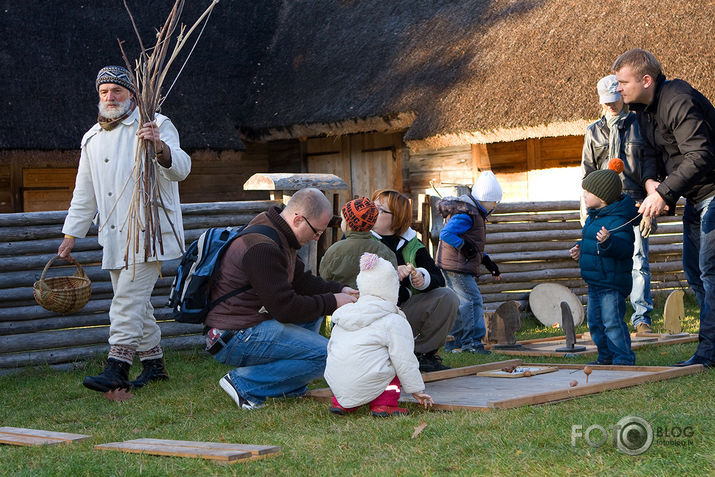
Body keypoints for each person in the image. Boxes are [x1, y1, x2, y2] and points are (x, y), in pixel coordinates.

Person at [59, 65, 191, 393]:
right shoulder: (92, 138)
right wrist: (71, 234)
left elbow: (182, 170)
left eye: (116, 91)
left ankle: (117, 367)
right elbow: (85, 191)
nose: (110, 97)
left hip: (149, 231)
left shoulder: (155, 125)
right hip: (114, 235)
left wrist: (159, 148)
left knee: (126, 301)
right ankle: (154, 366)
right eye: (104, 92)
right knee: (134, 301)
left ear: (131, 93)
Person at [204, 188, 358, 410]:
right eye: (316, 232)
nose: (317, 239)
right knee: (330, 355)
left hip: (246, 325)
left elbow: (301, 283)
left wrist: (341, 289)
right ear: (298, 219)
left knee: (313, 309)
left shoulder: (276, 229)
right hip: (234, 336)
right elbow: (285, 309)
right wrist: (333, 302)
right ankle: (245, 384)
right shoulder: (262, 247)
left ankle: (287, 385)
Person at [612, 49, 715, 367]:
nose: (618, 89)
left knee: (711, 273)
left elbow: (700, 154)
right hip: (694, 198)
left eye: (622, 82)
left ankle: (709, 354)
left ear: (646, 80)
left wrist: (665, 192)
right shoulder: (642, 112)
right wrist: (650, 185)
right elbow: (647, 157)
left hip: (713, 192)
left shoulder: (678, 99)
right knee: (695, 273)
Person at [581, 74, 655, 333]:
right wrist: (586, 212)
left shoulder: (639, 125)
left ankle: (642, 316)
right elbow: (587, 173)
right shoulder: (592, 131)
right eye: (606, 102)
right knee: (605, 257)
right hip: (602, 208)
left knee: (638, 258)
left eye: (614, 100)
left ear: (622, 97)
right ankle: (610, 317)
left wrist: (650, 206)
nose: (610, 106)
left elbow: (649, 166)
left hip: (634, 203)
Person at [325, 253, 434, 417]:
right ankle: (385, 404)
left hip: (337, 383)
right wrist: (416, 390)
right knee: (394, 361)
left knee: (346, 357)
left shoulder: (345, 315)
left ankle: (341, 403)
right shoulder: (393, 320)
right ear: (392, 288)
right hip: (370, 381)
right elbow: (404, 359)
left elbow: (332, 347)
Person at [370, 189, 459, 372]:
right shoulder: (360, 239)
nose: (372, 212)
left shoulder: (412, 243)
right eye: (373, 206)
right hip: (371, 315)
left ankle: (422, 354)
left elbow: (438, 279)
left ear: (397, 218)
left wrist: (421, 277)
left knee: (447, 297)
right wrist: (391, 274)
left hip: (403, 311)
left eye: (380, 210)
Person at [569, 161, 638, 365]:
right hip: (595, 282)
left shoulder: (618, 220)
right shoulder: (594, 217)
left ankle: (623, 359)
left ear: (602, 197)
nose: (584, 195)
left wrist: (609, 242)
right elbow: (591, 239)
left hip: (611, 283)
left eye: (587, 192)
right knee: (596, 323)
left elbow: (625, 249)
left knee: (612, 322)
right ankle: (605, 356)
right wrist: (580, 248)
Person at [435, 171, 503, 355]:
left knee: (458, 302)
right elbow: (446, 234)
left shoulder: (472, 212)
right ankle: (472, 342)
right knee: (472, 301)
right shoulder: (468, 214)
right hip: (456, 266)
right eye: (494, 201)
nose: (495, 205)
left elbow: (473, 245)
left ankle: (454, 341)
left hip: (454, 264)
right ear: (485, 198)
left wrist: (488, 262)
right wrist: (464, 246)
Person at [319, 197, 398, 288]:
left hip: (342, 299)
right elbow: (392, 282)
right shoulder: (385, 251)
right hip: (375, 301)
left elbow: (324, 278)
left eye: (343, 219)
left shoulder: (334, 250)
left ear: (348, 223)